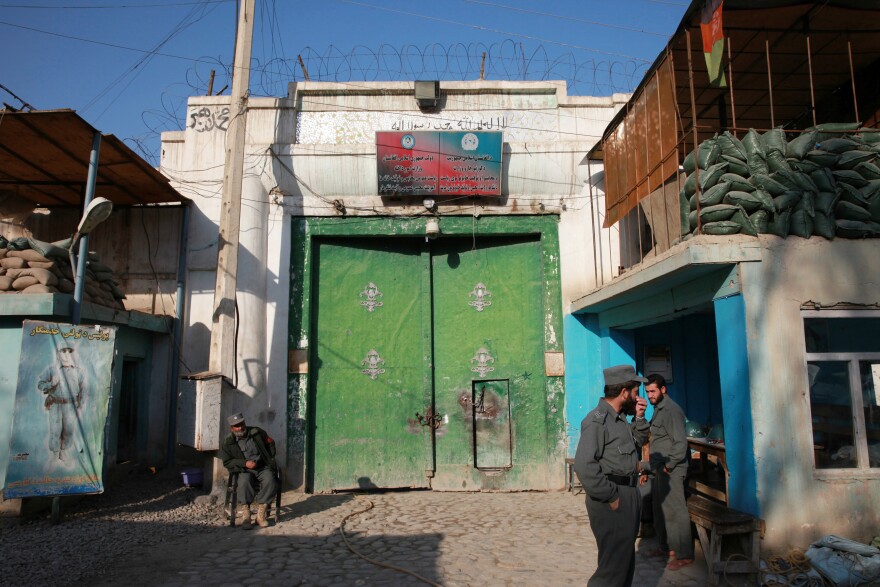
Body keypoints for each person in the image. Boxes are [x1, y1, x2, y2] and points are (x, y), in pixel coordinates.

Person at [574, 364, 650, 587]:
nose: (637, 397)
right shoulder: (597, 420)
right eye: (635, 392)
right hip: (613, 499)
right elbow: (584, 465)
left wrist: (639, 417)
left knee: (624, 563)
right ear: (624, 392)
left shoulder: (619, 418)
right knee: (612, 569)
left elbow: (639, 441)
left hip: (628, 493)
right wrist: (611, 496)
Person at [645, 373, 694, 570]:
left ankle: (684, 554)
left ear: (663, 390)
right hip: (660, 468)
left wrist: (670, 465)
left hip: (671, 469)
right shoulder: (658, 409)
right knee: (659, 507)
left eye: (653, 391)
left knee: (675, 510)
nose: (650, 395)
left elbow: (680, 443)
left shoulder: (672, 410)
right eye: (647, 392)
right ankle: (666, 547)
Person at [219, 412, 278, 528]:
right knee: (244, 482)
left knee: (270, 480)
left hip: (262, 467)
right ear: (232, 428)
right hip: (244, 470)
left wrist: (269, 457)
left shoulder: (257, 432)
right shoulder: (228, 442)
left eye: (241, 424)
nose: (240, 427)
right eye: (237, 426)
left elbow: (271, 443)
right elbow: (227, 462)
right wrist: (244, 463)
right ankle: (246, 515)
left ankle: (260, 515)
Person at [38, 345, 86, 461]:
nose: (66, 354)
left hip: (70, 405)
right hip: (56, 404)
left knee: (69, 430)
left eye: (69, 351)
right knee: (55, 430)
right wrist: (51, 384)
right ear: (57, 353)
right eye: (63, 351)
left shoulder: (78, 371)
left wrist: (81, 403)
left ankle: (64, 452)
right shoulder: (52, 370)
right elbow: (40, 384)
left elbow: (83, 389)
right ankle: (55, 454)